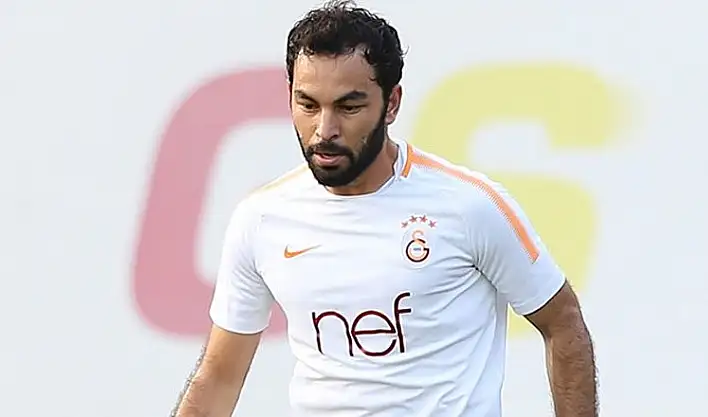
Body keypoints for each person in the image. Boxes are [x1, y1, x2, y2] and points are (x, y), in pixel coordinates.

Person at [172, 1, 597, 416]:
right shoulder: (261, 218)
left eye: (348, 107)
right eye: (308, 105)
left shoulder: (471, 206)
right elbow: (219, 377)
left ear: (391, 103)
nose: (325, 130)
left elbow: (562, 322)